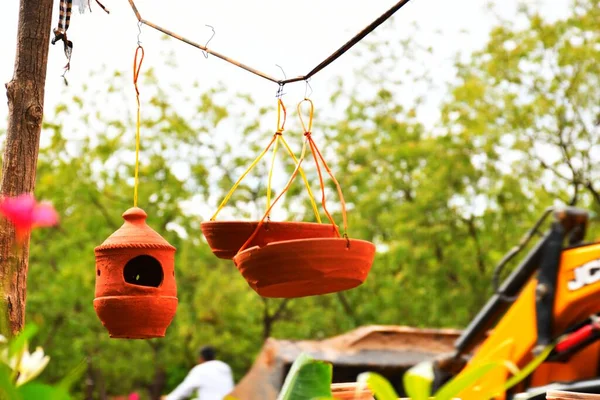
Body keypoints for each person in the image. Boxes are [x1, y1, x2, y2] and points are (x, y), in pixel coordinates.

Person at [164, 346, 235, 400]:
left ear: (201, 358)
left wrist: (168, 398)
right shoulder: (224, 367)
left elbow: (184, 389)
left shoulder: (200, 369)